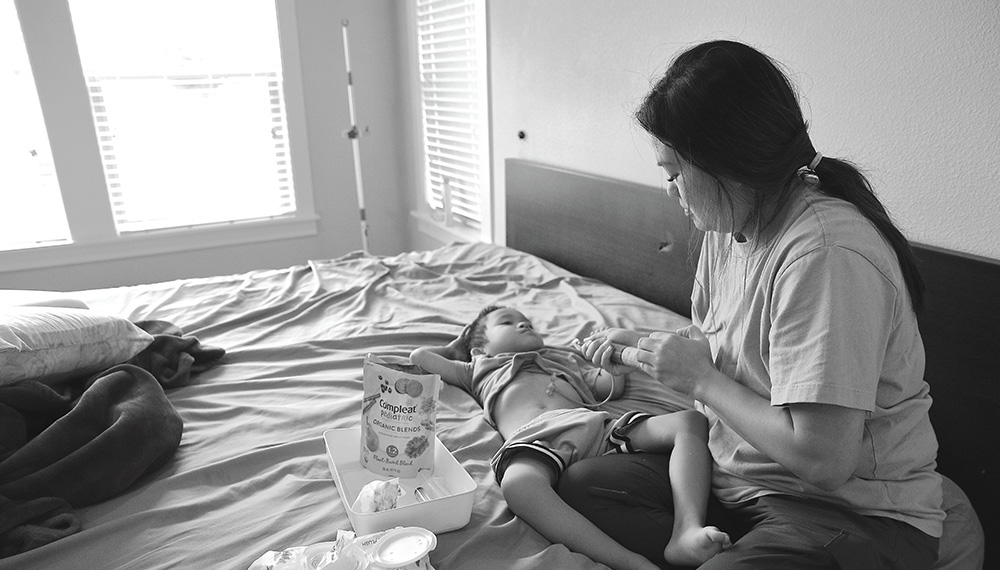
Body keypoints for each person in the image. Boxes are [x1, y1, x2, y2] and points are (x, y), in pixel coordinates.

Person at [562, 39, 945, 570]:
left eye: (674, 173)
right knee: (582, 485)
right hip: (741, 480)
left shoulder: (825, 254)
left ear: (728, 163)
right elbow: (732, 351)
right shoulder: (730, 224)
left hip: (849, 513)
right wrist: (648, 351)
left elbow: (824, 460)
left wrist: (701, 381)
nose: (670, 190)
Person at [410, 305, 731, 570]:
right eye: (507, 322)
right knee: (517, 485)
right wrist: (457, 347)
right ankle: (629, 562)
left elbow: (607, 385)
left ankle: (686, 528)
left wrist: (609, 362)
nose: (523, 324)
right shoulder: (479, 369)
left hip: (594, 427)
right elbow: (420, 357)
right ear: (480, 349)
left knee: (690, 420)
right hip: (538, 436)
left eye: (527, 321)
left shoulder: (563, 361)